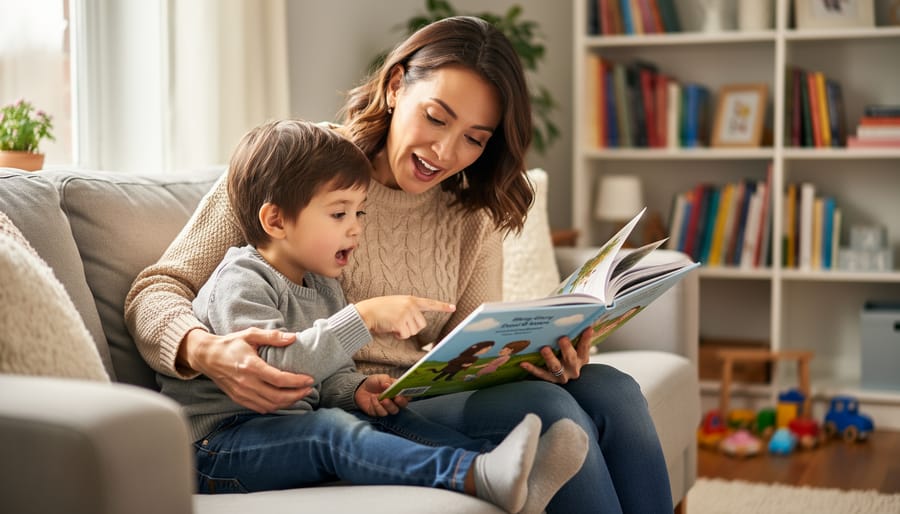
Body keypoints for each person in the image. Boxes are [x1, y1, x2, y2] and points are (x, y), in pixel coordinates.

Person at [126, 16, 673, 513]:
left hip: (404, 394)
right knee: (552, 410)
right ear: (395, 87)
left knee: (613, 391)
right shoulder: (301, 167)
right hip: (331, 403)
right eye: (436, 118)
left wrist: (542, 350)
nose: (445, 151)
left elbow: (471, 348)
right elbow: (156, 290)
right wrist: (204, 350)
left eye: (474, 140)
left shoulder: (471, 211)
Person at [156, 119, 586, 513]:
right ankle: (472, 474)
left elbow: (329, 377)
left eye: (360, 212)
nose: (356, 227)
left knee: (387, 416)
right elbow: (274, 370)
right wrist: (361, 318)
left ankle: (495, 467)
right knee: (331, 431)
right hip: (219, 447)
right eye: (339, 213)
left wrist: (357, 389)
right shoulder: (241, 280)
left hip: (284, 433)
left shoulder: (322, 286)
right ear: (276, 220)